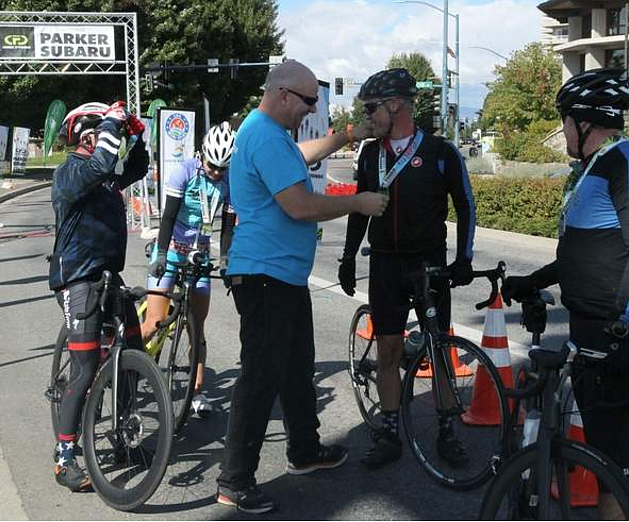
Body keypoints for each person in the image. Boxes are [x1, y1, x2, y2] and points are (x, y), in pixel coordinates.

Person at [214, 60, 389, 514]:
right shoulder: (266, 136)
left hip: (280, 275)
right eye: (309, 100)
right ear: (285, 95)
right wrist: (359, 203)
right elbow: (298, 205)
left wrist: (349, 136)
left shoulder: (269, 133)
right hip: (266, 275)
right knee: (260, 378)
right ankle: (234, 480)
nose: (312, 109)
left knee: (295, 369)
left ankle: (305, 452)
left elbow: (303, 154)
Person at [501, 67, 629, 520]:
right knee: (609, 457)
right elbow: (590, 252)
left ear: (583, 123)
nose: (564, 129)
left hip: (610, 336)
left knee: (613, 466)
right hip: (593, 329)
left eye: (565, 120)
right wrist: (533, 281)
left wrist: (621, 322)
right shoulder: (596, 168)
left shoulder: (620, 162)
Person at [337, 68, 477, 470]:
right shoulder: (369, 153)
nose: (368, 117)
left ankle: (448, 432)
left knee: (440, 349)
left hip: (428, 263)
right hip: (385, 264)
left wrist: (463, 259)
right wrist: (348, 257)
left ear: (395, 105)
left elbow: (465, 204)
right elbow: (358, 209)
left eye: (371, 109)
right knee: (388, 351)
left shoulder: (439, 151)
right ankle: (390, 431)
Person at [48, 101, 149, 491]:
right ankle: (64, 458)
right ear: (84, 136)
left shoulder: (103, 178)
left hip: (108, 276)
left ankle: (122, 428)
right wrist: (111, 121)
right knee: (86, 368)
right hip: (77, 278)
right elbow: (102, 165)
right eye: (101, 133)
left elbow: (135, 168)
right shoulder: (70, 173)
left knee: (134, 350)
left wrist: (137, 135)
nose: (109, 140)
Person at [141, 122, 237, 416]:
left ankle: (196, 393)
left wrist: (226, 261)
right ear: (202, 155)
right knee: (155, 321)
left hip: (200, 255)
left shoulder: (229, 181)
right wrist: (159, 254)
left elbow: (228, 227)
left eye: (223, 168)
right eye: (212, 165)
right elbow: (168, 218)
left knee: (197, 327)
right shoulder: (183, 171)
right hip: (171, 249)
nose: (217, 173)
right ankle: (123, 368)